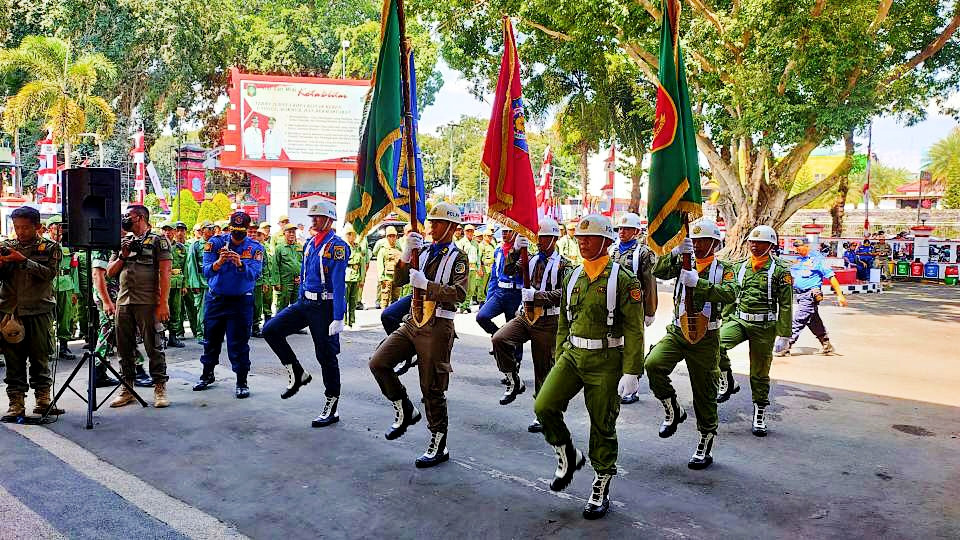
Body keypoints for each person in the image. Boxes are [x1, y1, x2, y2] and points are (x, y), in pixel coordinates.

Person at [533, 214, 645, 520]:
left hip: (606, 360)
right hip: (573, 354)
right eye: (580, 237)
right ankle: (567, 453)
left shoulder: (623, 280)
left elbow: (635, 329)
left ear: (607, 242)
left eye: (590, 237)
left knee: (602, 425)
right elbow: (563, 322)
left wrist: (632, 371)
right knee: (544, 406)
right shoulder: (573, 276)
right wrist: (559, 356)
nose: (582, 242)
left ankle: (601, 481)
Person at [368, 202, 468, 468]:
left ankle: (438, 441)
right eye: (431, 222)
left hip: (438, 326)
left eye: (437, 222)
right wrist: (405, 253)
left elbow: (459, 294)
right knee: (379, 362)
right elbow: (400, 280)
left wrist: (428, 286)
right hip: (413, 322)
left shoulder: (458, 257)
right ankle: (403, 406)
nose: (431, 226)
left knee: (431, 388)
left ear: (451, 227)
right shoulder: (421, 251)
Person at [644, 220, 735, 470]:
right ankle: (672, 407)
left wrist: (700, 284)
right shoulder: (684, 261)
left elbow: (731, 293)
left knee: (705, 391)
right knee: (653, 364)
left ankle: (706, 438)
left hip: (707, 336)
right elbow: (658, 271)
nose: (699, 245)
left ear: (716, 244)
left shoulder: (724, 269)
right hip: (678, 331)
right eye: (695, 241)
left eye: (705, 241)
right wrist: (672, 252)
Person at [263, 201, 349, 427]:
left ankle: (332, 405)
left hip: (325, 308)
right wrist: (300, 299)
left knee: (326, 356)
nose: (313, 220)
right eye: (313, 217)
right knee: (271, 330)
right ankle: (297, 373)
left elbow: (339, 284)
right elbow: (304, 274)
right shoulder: (310, 243)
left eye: (318, 217)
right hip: (306, 303)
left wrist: (339, 316)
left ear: (329, 220)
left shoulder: (337, 247)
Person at [491, 217, 569, 432]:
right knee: (499, 338)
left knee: (543, 368)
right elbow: (507, 271)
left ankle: (543, 413)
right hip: (525, 316)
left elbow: (567, 293)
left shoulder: (564, 264)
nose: (540, 241)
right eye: (538, 237)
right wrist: (515, 250)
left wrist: (539, 296)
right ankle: (513, 379)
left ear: (554, 238)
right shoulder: (530, 258)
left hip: (548, 319)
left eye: (544, 237)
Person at [716, 225, 793, 437]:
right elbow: (731, 295)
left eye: (760, 243)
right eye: (752, 242)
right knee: (715, 344)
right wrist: (725, 319)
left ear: (770, 246)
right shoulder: (740, 267)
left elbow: (786, 304)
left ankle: (759, 412)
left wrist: (785, 334)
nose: (754, 246)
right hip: (739, 321)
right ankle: (727, 379)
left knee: (759, 373)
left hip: (764, 326)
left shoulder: (780, 271)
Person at [192, 212, 264, 399]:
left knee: (238, 342)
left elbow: (254, 275)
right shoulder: (216, 243)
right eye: (234, 231)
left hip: (241, 300)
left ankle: (242, 381)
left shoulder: (255, 247)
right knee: (211, 339)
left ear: (247, 230)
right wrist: (219, 262)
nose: (236, 236)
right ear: (229, 228)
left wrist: (240, 264)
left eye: (241, 232)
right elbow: (206, 271)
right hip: (217, 299)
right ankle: (207, 374)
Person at [0, 206, 64, 418]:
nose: (20, 232)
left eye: (26, 228)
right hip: (11, 312)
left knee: (40, 356)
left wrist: (23, 261)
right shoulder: (6, 247)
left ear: (37, 227)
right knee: (13, 359)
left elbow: (49, 274)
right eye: (17, 227)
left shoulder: (50, 248)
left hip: (39, 310)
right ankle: (16, 402)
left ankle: (43, 399)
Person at [108, 205, 173, 409]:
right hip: (124, 301)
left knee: (152, 345)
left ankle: (159, 387)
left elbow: (165, 272)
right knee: (124, 348)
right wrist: (123, 255)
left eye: (129, 216)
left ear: (141, 217)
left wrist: (163, 303)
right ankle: (127, 387)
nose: (125, 219)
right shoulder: (122, 242)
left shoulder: (157, 240)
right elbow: (110, 272)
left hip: (148, 302)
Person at [609, 212, 658, 404]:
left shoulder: (644, 253)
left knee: (634, 345)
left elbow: (650, 283)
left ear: (636, 231)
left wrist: (650, 310)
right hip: (613, 304)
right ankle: (618, 379)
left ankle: (633, 386)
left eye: (627, 229)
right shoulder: (612, 250)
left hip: (635, 305)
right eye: (620, 228)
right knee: (615, 343)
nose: (622, 232)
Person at [775, 238, 848, 357]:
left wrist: (840, 295)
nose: (797, 250)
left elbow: (831, 276)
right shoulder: (798, 260)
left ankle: (785, 346)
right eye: (796, 248)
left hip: (811, 294)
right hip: (800, 294)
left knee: (798, 319)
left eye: (799, 248)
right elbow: (790, 276)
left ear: (807, 246)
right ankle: (826, 344)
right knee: (813, 321)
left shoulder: (817, 260)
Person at [477, 225, 524, 370]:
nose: (504, 234)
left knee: (515, 329)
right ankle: (498, 337)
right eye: (503, 232)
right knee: (482, 316)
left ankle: (515, 364)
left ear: (515, 233)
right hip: (500, 291)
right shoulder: (498, 250)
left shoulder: (523, 251)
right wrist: (489, 298)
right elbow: (494, 276)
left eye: (508, 231)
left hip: (515, 294)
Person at [46, 215, 78, 360]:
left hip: (66, 284)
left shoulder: (69, 245)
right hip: (48, 285)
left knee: (66, 318)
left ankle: (64, 347)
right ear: (49, 228)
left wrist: (75, 290)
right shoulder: (43, 244)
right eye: (57, 226)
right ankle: (48, 349)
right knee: (47, 318)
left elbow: (74, 268)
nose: (60, 229)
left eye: (62, 226)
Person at [185, 221, 215, 343]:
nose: (212, 231)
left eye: (213, 228)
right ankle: (201, 333)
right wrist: (194, 284)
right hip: (202, 282)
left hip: (214, 282)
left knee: (213, 309)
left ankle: (211, 332)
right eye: (209, 228)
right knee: (202, 310)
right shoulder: (196, 245)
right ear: (203, 230)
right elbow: (191, 265)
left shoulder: (215, 243)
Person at [162, 223, 187, 348]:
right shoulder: (159, 246)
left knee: (176, 310)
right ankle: (161, 337)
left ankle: (173, 337)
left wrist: (184, 285)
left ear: (174, 232)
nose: (167, 232)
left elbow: (185, 267)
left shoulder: (181, 248)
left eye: (170, 230)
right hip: (163, 283)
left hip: (177, 283)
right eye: (165, 230)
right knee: (162, 309)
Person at [252, 224, 278, 338]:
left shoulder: (260, 247)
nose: (253, 235)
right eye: (250, 232)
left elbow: (265, 265)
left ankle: (255, 327)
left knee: (257, 306)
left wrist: (266, 281)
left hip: (258, 281)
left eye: (256, 233)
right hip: (243, 282)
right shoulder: (241, 245)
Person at [273, 223, 303, 314]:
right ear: (284, 233)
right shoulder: (280, 248)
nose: (291, 234)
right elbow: (275, 266)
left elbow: (304, 263)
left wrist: (302, 277)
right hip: (285, 282)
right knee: (282, 305)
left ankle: (294, 326)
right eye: (289, 232)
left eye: (293, 232)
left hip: (298, 281)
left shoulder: (299, 247)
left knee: (297, 305)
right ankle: (279, 326)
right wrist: (276, 282)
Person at [457, 224, 482, 313]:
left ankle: (466, 304)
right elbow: (459, 257)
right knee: (464, 288)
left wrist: (479, 267)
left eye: (471, 231)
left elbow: (478, 256)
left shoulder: (475, 243)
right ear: (464, 232)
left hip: (473, 267)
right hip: (465, 268)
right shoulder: (461, 242)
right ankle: (463, 306)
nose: (470, 233)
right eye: (468, 231)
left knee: (471, 288)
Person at [376, 226, 403, 309]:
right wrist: (381, 278)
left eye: (393, 236)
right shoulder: (383, 250)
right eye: (389, 236)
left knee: (395, 299)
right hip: (386, 278)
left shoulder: (399, 249)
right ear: (387, 237)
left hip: (397, 278)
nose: (392, 238)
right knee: (385, 300)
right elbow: (380, 264)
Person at [344, 224, 364, 327]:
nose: (353, 236)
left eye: (354, 234)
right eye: (351, 234)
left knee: (353, 300)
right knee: (345, 300)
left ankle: (351, 320)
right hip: (347, 276)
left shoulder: (358, 247)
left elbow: (361, 263)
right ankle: (344, 320)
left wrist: (361, 278)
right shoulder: (343, 246)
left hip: (356, 276)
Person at [477, 228, 496, 305]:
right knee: (482, 286)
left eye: (491, 236)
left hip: (492, 267)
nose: (490, 237)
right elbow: (478, 258)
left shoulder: (492, 245)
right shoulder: (481, 245)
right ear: (484, 236)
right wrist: (479, 268)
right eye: (489, 236)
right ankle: (481, 302)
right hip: (484, 267)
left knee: (489, 285)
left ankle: (488, 300)